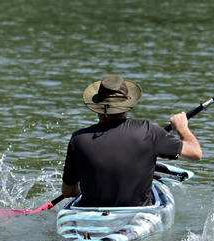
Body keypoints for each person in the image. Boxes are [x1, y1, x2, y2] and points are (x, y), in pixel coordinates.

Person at [61, 74, 202, 207]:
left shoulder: (77, 139)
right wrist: (182, 128)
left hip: (88, 218)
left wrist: (87, 187)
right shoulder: (148, 132)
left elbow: (68, 192)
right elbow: (195, 153)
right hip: (138, 216)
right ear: (128, 103)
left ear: (97, 105)